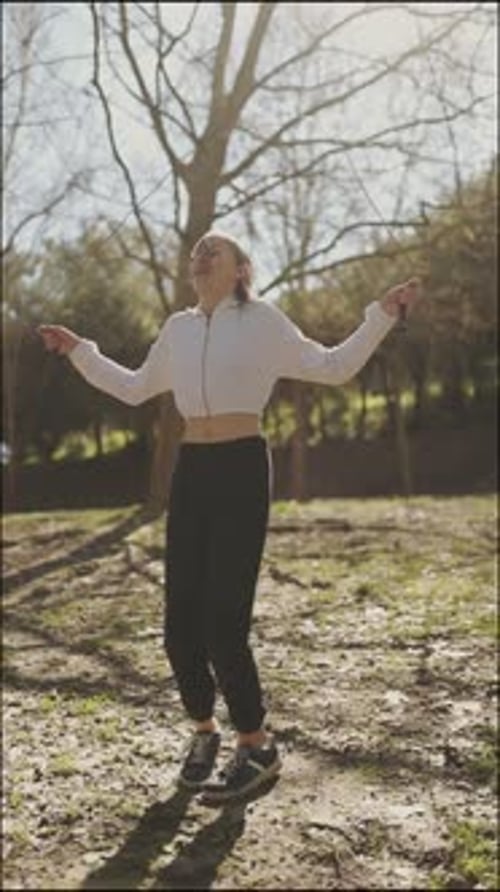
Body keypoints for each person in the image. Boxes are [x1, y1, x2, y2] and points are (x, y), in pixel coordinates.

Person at [38, 230, 420, 804]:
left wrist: (382, 314)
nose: (200, 256)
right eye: (195, 252)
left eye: (212, 250)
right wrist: (80, 350)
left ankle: (258, 746)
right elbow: (137, 387)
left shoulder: (263, 320)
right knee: (178, 628)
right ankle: (203, 734)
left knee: (223, 622)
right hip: (192, 469)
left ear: (241, 269)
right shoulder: (179, 328)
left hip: (242, 468)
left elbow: (335, 366)